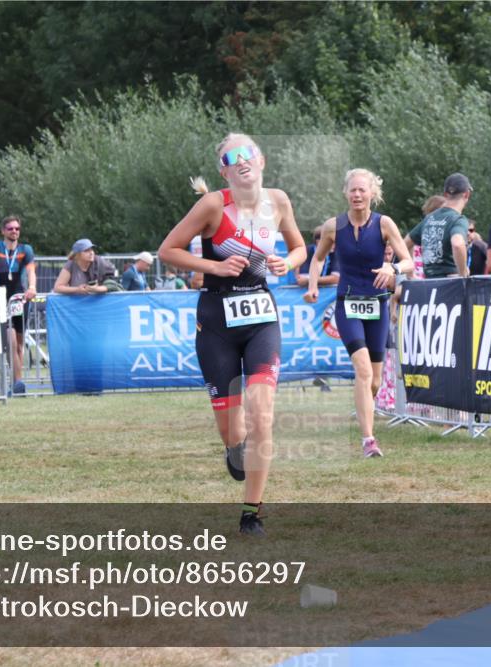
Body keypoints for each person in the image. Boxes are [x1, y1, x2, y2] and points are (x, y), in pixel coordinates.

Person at [157, 132, 305, 536]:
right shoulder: (211, 205)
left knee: (263, 416)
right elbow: (167, 250)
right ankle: (233, 447)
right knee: (233, 429)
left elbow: (299, 248)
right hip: (217, 322)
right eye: (231, 156)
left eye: (248, 153)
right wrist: (214, 267)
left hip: (260, 317)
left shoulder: (279, 201)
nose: (242, 160)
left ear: (262, 160)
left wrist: (286, 262)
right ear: (224, 169)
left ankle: (251, 514)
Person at [304, 168, 413, 458]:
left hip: (377, 305)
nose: (357, 194)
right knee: (362, 371)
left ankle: (364, 407)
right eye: (352, 190)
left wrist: (393, 268)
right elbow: (317, 259)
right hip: (348, 304)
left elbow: (409, 261)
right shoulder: (333, 227)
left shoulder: (384, 224)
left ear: (372, 194)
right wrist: (313, 285)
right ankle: (369, 440)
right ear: (345, 193)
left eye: (362, 190)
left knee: (374, 381)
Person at [0, 215, 37, 395]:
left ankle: (16, 384)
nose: (14, 231)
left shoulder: (26, 249)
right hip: (0, 299)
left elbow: (31, 271)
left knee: (18, 345)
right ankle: (18, 383)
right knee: (9, 339)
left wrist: (32, 287)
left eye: (17, 228)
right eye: (10, 228)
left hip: (20, 299)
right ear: (3, 231)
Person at [405, 173, 472, 278]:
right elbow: (458, 244)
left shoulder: (429, 219)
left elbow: (405, 244)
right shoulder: (458, 219)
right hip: (451, 282)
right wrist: (463, 273)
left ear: (445, 194)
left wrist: (410, 276)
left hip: (430, 282)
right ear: (467, 194)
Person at [53, 238, 120, 294]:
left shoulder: (100, 262)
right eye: (86, 251)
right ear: (78, 255)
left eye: (91, 249)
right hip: (77, 302)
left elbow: (112, 283)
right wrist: (77, 289)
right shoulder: (70, 265)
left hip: (99, 302)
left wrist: (97, 289)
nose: (91, 253)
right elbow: (57, 288)